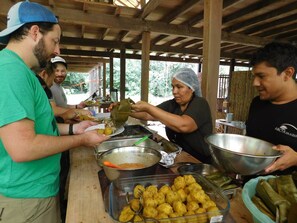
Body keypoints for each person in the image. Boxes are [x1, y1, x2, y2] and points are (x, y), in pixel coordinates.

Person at [0, 1, 109, 223]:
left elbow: (38, 128)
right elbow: (23, 148)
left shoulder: (22, 71)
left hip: (36, 190)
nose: (57, 50)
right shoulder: (11, 72)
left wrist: (74, 128)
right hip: (27, 198)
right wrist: (81, 140)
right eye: (55, 41)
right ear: (35, 32)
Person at [129, 68, 213, 163]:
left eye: (179, 87)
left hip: (199, 162)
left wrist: (148, 107)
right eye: (173, 87)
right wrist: (124, 109)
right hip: (179, 157)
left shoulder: (200, 104)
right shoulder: (172, 104)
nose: (174, 91)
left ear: (191, 88)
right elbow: (147, 114)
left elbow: (184, 125)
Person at [246, 42, 297, 174]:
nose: (255, 83)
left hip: (286, 192)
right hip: (250, 189)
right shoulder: (257, 103)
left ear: (287, 73)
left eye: (261, 76)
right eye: (254, 76)